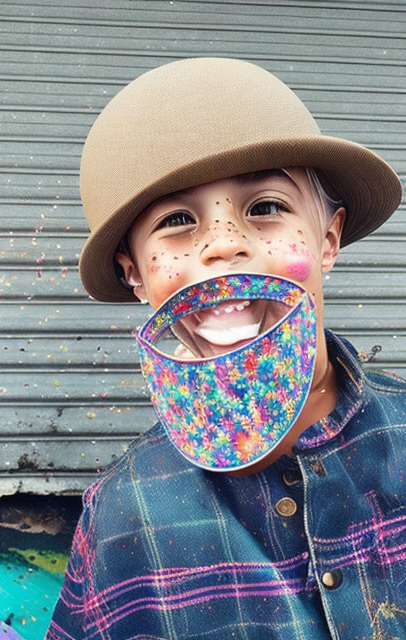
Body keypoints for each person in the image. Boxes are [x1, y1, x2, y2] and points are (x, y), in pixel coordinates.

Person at [46, 58, 404, 639]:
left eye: (265, 207)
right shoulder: (124, 517)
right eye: (178, 221)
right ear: (135, 273)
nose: (224, 244)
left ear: (328, 238)